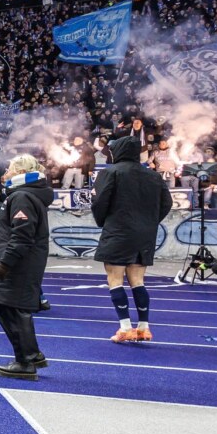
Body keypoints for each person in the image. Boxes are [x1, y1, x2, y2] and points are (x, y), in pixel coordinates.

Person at [0, 155, 54, 380]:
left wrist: (5, 264)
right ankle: (32, 354)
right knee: (10, 307)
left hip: (18, 265)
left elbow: (22, 236)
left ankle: (25, 362)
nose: (5, 173)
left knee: (11, 308)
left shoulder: (22, 196)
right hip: (21, 262)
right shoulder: (21, 195)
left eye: (9, 169)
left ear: (20, 172)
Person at [91, 136, 173, 342]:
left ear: (118, 151)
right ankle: (144, 328)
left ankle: (125, 328)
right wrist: (149, 222)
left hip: (118, 231)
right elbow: (167, 203)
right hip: (144, 234)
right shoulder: (153, 176)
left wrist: (103, 221)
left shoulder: (110, 172)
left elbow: (100, 201)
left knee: (115, 279)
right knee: (137, 280)